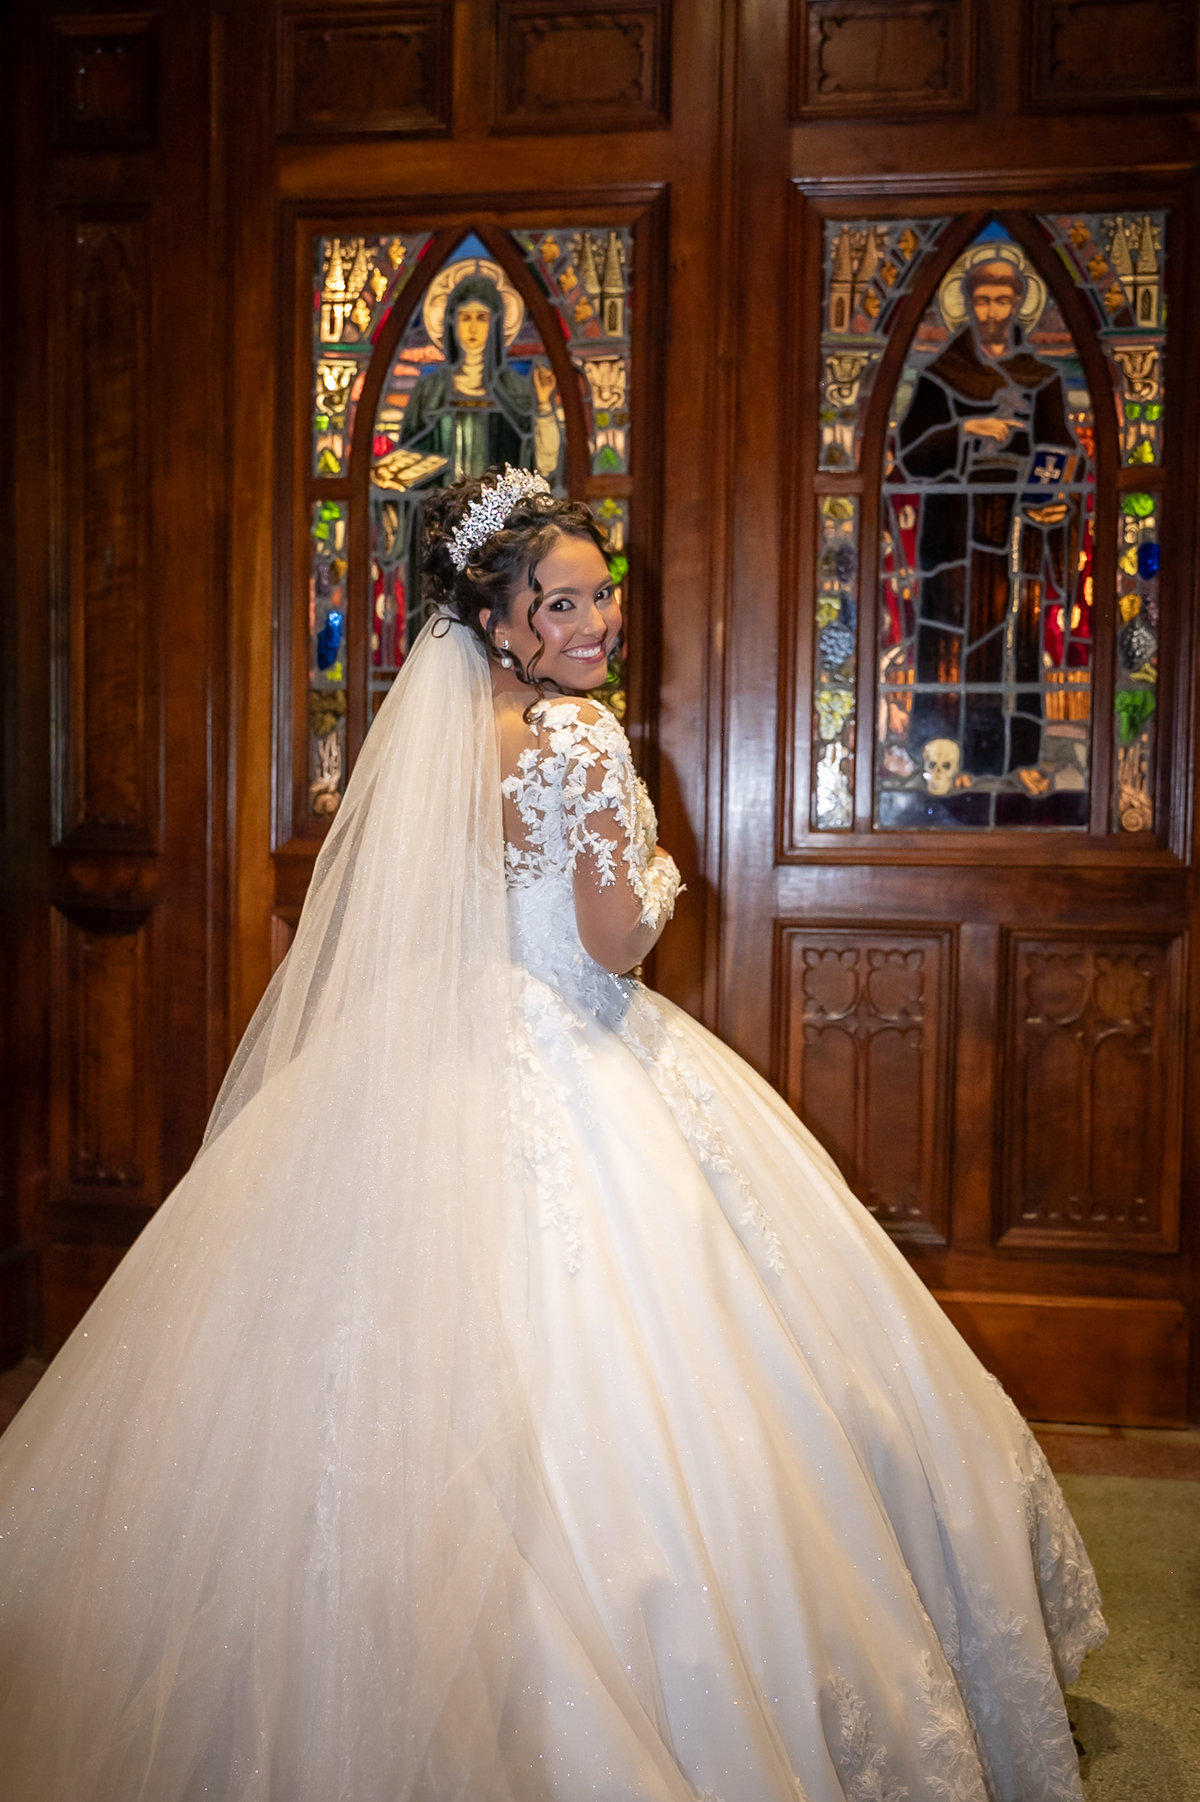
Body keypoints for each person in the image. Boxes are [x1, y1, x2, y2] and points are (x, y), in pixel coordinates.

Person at [0, 467, 1105, 1801]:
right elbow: (613, 937)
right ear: (496, 615)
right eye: (563, 603)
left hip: (429, 1046)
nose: (595, 623)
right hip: (574, 1049)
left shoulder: (426, 735)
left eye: (601, 596)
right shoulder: (576, 736)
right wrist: (664, 871)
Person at [884, 255, 1084, 823]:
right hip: (955, 529)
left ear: (1019, 305)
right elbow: (909, 453)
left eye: (1002, 299)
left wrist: (1059, 501)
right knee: (951, 636)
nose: (992, 311)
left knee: (1018, 639)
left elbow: (1062, 453)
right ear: (967, 305)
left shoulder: (1041, 380)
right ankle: (948, 753)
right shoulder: (940, 377)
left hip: (1019, 530)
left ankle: (1020, 757)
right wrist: (967, 428)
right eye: (982, 300)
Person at [400, 272, 561, 483]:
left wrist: (543, 405)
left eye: (482, 318)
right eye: (465, 318)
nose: (473, 328)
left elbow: (546, 466)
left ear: (494, 325)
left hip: (503, 505)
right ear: (453, 323)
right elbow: (406, 459)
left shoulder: (514, 389)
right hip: (438, 503)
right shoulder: (430, 390)